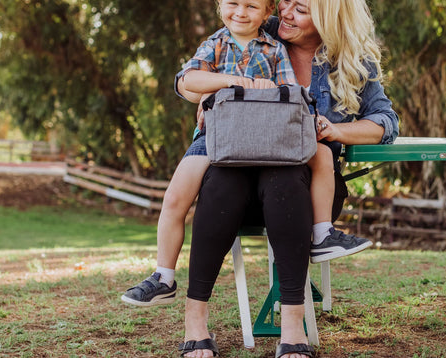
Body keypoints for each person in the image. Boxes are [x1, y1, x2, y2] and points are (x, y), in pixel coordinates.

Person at [179, 0, 399, 356]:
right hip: (238, 178)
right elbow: (188, 83)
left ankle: (292, 330)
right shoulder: (255, 36)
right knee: (221, 182)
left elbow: (385, 122)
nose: (286, 13)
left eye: (301, 8)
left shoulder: (351, 62)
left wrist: (336, 130)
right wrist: (208, 94)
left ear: (328, 18)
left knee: (285, 180)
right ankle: (195, 323)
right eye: (285, 3)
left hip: (308, 191)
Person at [120, 0, 372, 308]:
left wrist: (295, 106)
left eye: (251, 6)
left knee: (322, 155)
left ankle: (323, 234)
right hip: (218, 134)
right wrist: (232, 83)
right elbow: (187, 80)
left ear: (266, 14)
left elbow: (295, 97)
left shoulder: (274, 49)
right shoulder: (217, 42)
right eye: (233, 3)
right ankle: (163, 276)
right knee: (175, 196)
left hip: (267, 135)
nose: (240, 13)